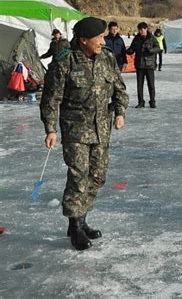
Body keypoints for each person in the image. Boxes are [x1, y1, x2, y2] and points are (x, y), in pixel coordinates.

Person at [40, 17, 129, 251]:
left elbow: (119, 88)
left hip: (102, 129)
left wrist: (119, 112)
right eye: (98, 38)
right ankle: (75, 225)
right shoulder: (64, 62)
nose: (103, 41)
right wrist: (50, 128)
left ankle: (81, 218)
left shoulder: (107, 58)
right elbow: (51, 99)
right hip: (75, 130)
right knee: (79, 176)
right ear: (83, 40)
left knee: (97, 177)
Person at [127, 22, 159, 108]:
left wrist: (151, 50)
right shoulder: (136, 39)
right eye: (139, 30)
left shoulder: (152, 38)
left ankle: (152, 101)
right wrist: (129, 51)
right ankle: (141, 102)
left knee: (151, 85)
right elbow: (132, 48)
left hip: (149, 65)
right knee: (139, 85)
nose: (141, 31)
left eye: (143, 29)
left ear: (146, 29)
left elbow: (158, 48)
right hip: (139, 65)